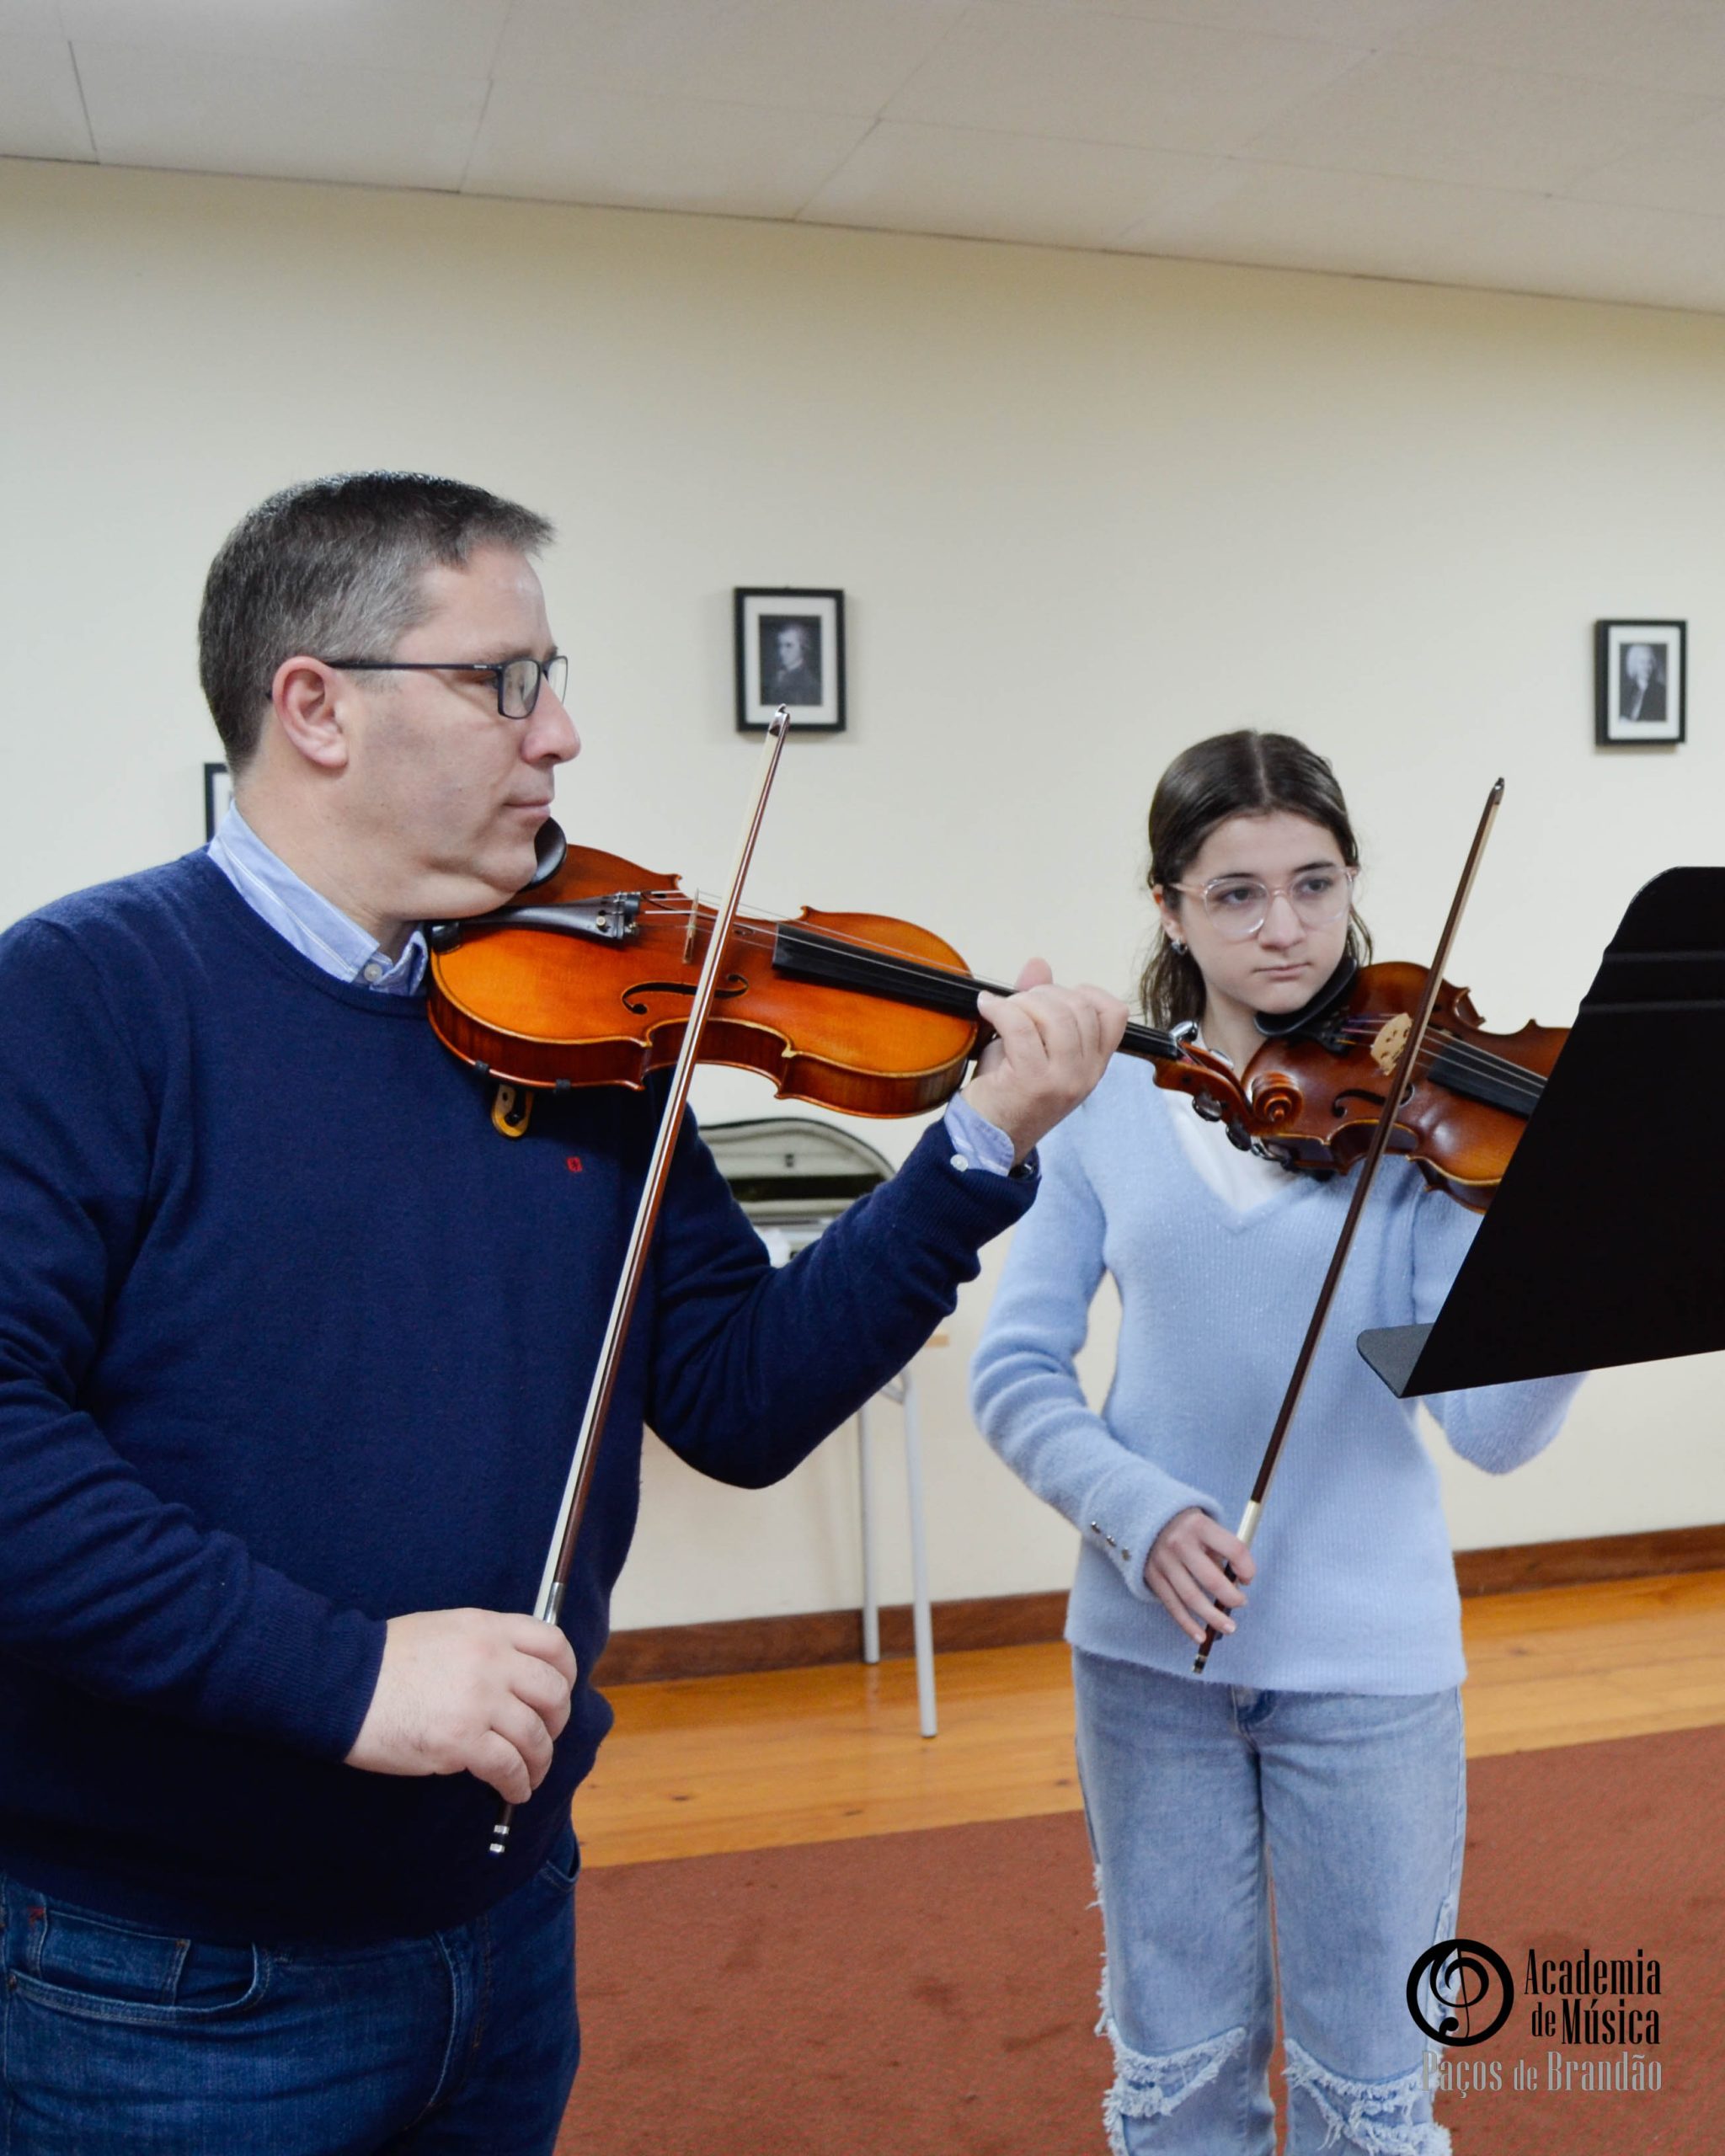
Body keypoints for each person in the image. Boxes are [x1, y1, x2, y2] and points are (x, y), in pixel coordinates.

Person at [0, 472, 1126, 2155]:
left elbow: (739, 1397)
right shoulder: (81, 996)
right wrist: (345, 1675)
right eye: (504, 679)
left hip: (504, 1921)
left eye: (552, 678)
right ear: (316, 705)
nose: (562, 732)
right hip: (166, 1978)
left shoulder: (584, 1023)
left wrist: (974, 1152)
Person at [970, 731, 1581, 2156]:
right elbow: (1013, 1371)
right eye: (1236, 894)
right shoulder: (1103, 1108)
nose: (1284, 928)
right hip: (1148, 1670)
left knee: (1371, 2089)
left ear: (1352, 884)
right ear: (1169, 909)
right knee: (1181, 2078)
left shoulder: (1431, 1133)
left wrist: (1569, 1267)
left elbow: (1489, 1434)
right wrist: (1137, 1511)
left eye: (1314, 885)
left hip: (1372, 1672)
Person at [762, 616, 822, 704]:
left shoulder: (809, 685)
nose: (781, 652)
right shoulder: (777, 677)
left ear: (803, 648)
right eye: (780, 645)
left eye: (789, 645)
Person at [1620, 642, 1666, 727]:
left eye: (1649, 662)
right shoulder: (1624, 690)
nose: (1647, 667)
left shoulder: (1661, 692)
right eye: (1642, 662)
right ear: (1634, 664)